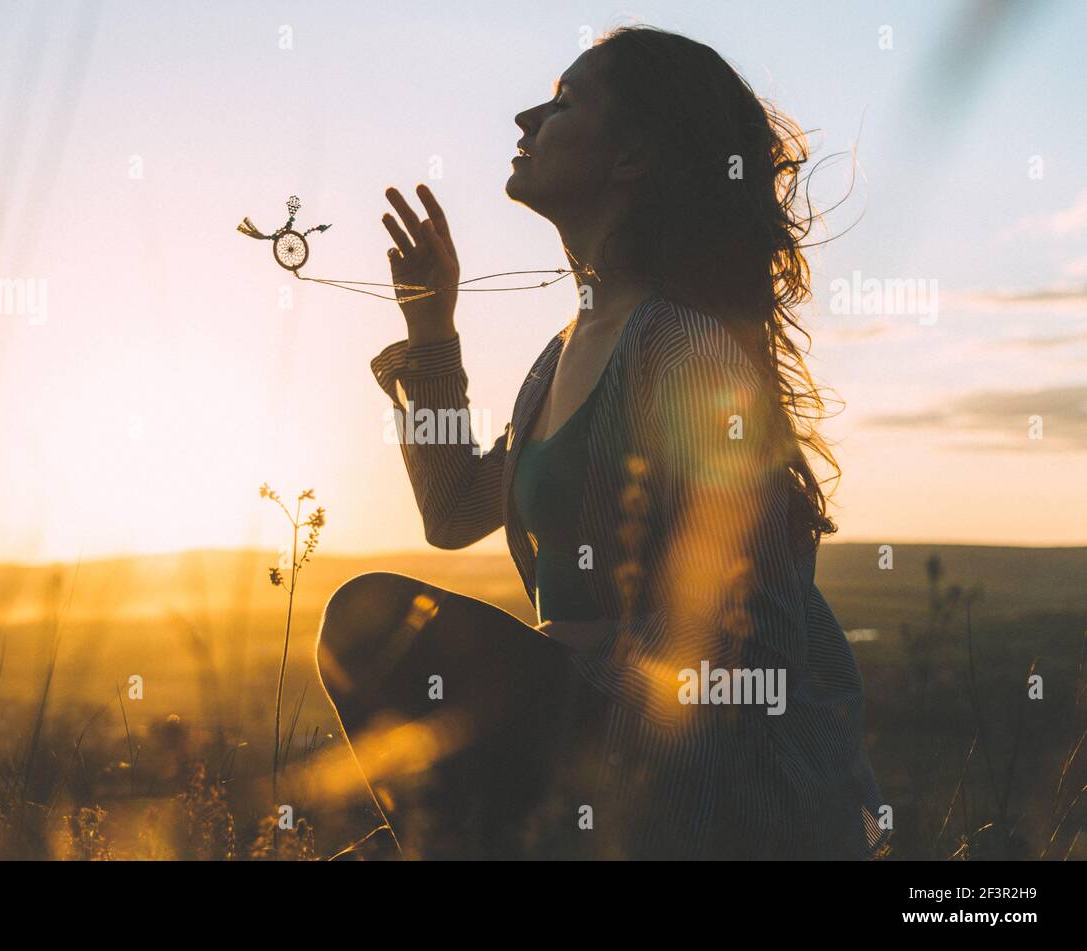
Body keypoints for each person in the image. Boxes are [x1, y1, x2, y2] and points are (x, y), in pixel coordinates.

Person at [316, 24, 885, 860]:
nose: (525, 117)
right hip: (592, 733)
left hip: (706, 787)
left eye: (563, 102)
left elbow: (754, 652)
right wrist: (431, 328)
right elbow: (452, 510)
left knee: (370, 617)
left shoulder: (683, 352)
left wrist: (590, 664)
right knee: (367, 625)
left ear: (629, 161)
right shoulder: (560, 357)